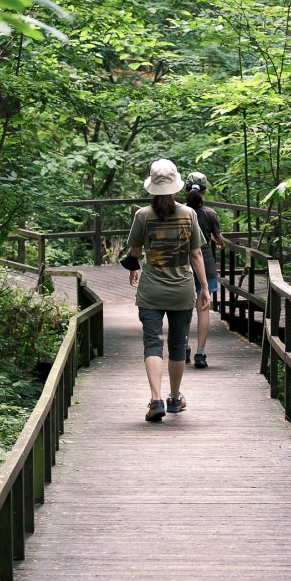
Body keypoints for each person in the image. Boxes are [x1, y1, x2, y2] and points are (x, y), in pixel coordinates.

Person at [120, 158, 210, 422]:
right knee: (178, 344)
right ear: (175, 185)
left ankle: (156, 399)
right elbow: (196, 254)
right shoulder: (189, 214)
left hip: (151, 290)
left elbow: (135, 251)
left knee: (152, 343)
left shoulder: (142, 215)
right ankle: (174, 398)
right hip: (182, 289)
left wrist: (134, 268)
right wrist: (204, 287)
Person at [184, 171, 225, 369]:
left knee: (183, 310)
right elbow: (217, 238)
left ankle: (183, 348)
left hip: (182, 266)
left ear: (186, 190)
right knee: (203, 310)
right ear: (205, 191)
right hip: (205, 265)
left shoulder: (179, 212)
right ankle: (200, 354)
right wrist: (221, 242)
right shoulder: (210, 214)